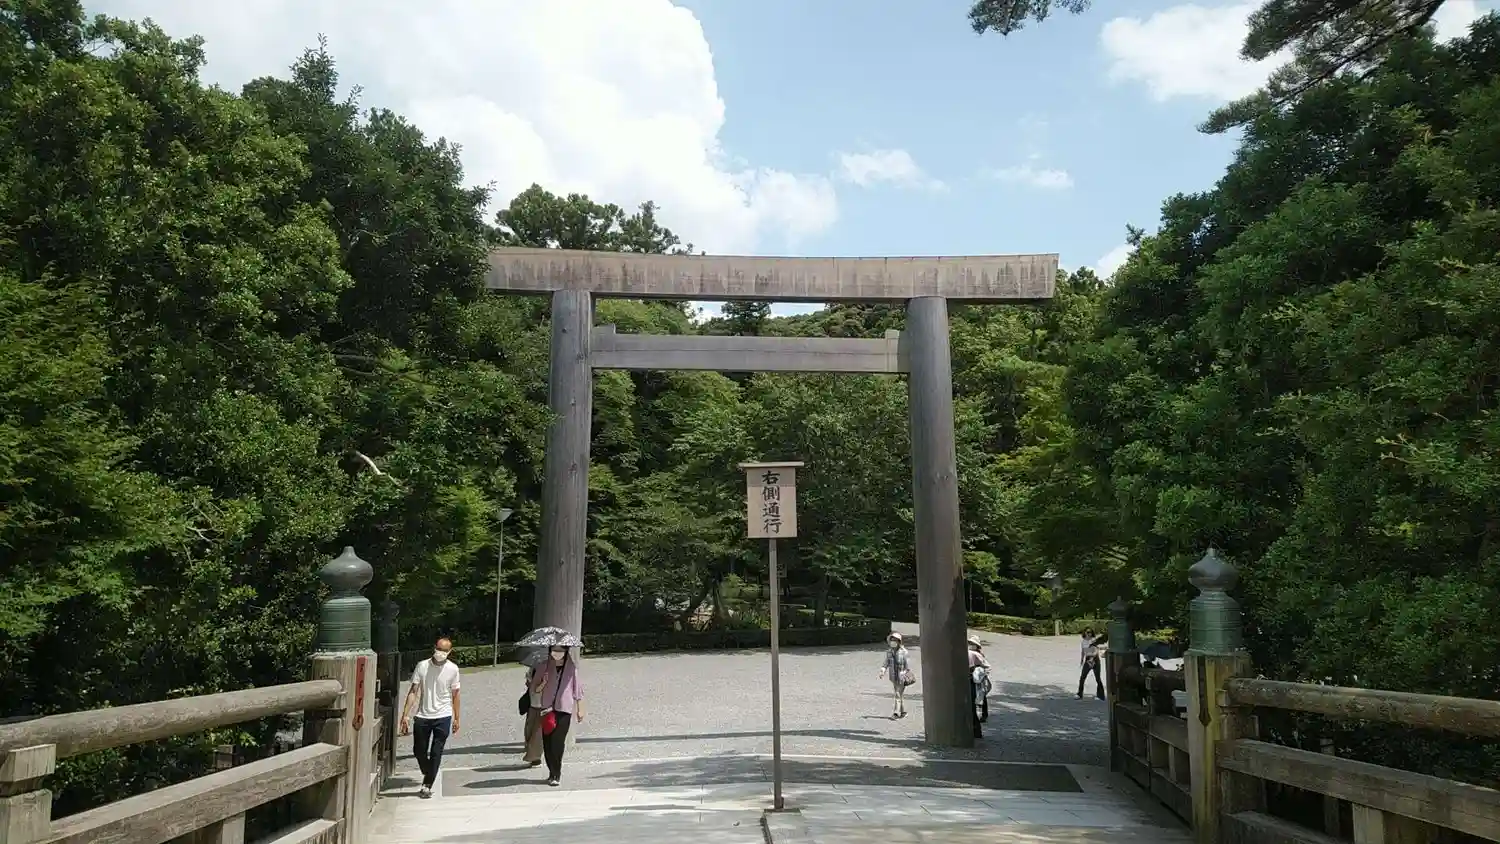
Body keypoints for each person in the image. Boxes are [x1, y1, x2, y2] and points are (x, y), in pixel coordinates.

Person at [399, 638, 461, 798]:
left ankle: (427, 784)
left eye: (445, 651)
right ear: (434, 648)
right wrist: (405, 715)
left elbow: (455, 694)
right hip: (423, 715)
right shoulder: (422, 666)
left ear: (450, 652)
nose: (441, 653)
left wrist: (456, 718)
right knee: (419, 750)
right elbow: (413, 691)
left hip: (443, 715)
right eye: (439, 649)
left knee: (436, 751)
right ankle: (429, 771)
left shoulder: (453, 669)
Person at [537, 645, 584, 787]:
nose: (557, 654)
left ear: (566, 651)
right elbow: (535, 689)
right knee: (548, 743)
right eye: (554, 651)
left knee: (558, 742)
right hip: (547, 709)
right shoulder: (544, 667)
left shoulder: (571, 668)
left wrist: (580, 709)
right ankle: (551, 770)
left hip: (564, 709)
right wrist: (543, 683)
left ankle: (556, 774)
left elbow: (578, 690)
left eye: (561, 651)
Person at [877, 632, 912, 719]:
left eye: (895, 640)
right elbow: (886, 662)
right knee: (899, 695)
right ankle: (903, 712)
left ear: (899, 641)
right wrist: (882, 671)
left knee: (897, 694)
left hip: (902, 677)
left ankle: (896, 713)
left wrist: (904, 672)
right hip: (893, 677)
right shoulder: (889, 652)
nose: (893, 642)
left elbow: (907, 666)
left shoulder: (904, 652)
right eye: (892, 640)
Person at [520, 661, 544, 767]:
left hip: (543, 705)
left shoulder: (549, 669)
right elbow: (528, 682)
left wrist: (542, 683)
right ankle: (531, 753)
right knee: (529, 730)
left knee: (537, 733)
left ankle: (535, 758)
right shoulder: (533, 667)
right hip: (532, 704)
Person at [968, 636, 991, 736]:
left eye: (972, 643)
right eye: (969, 643)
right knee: (974, 702)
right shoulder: (973, 653)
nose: (970, 645)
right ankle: (976, 728)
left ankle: (978, 726)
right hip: (973, 679)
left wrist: (981, 674)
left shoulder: (976, 654)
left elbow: (986, 666)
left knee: (976, 701)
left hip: (975, 680)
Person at [1078, 628, 1106, 700]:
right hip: (1088, 659)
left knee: (1098, 678)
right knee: (1082, 677)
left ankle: (1100, 696)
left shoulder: (1093, 640)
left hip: (1095, 659)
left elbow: (1096, 650)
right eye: (1087, 632)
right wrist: (1082, 660)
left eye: (1090, 632)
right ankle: (1079, 694)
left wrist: (1092, 657)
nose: (1088, 634)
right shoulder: (1083, 641)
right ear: (1084, 633)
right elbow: (1083, 651)